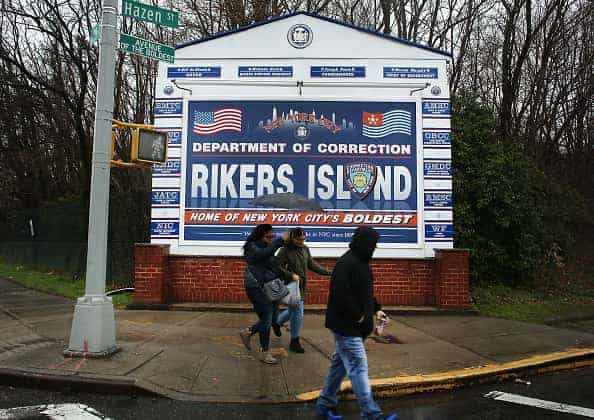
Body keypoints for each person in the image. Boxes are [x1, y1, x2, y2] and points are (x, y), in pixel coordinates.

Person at [316, 226, 399, 420]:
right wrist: (358, 316)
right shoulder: (347, 262)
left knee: (339, 366)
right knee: (358, 367)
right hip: (346, 327)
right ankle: (371, 414)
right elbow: (340, 294)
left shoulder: (361, 262)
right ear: (365, 244)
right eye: (373, 244)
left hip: (353, 327)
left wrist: (376, 309)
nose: (375, 248)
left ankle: (324, 405)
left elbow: (365, 292)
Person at [275, 227, 331, 353]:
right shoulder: (284, 250)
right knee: (298, 312)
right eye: (299, 239)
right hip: (291, 286)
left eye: (303, 239)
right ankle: (294, 341)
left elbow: (311, 264)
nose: (302, 242)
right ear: (292, 238)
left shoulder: (305, 248)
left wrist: (329, 273)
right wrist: (290, 275)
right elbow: (276, 266)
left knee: (291, 311)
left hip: (302, 286)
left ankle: (277, 322)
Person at [239, 224, 289, 364]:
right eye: (268, 236)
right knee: (266, 318)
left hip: (269, 286)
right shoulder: (252, 246)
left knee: (273, 317)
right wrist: (279, 241)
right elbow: (261, 255)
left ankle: (248, 332)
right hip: (256, 286)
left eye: (273, 236)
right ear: (260, 235)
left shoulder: (268, 248)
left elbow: (272, 263)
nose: (271, 239)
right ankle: (264, 352)